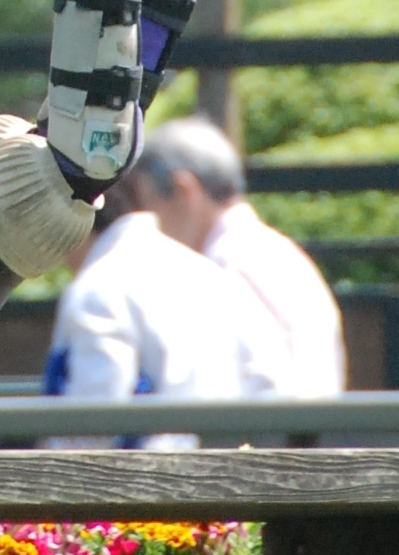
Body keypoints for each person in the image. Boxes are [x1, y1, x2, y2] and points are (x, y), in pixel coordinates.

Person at [42, 160, 258, 443]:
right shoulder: (210, 274)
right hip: (228, 477)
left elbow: (90, 432)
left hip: (145, 481)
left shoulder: (98, 290)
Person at [135, 115, 348, 397]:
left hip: (267, 435)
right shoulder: (275, 251)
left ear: (184, 190)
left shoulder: (221, 266)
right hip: (307, 432)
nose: (152, 224)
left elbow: (267, 385)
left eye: (150, 206)